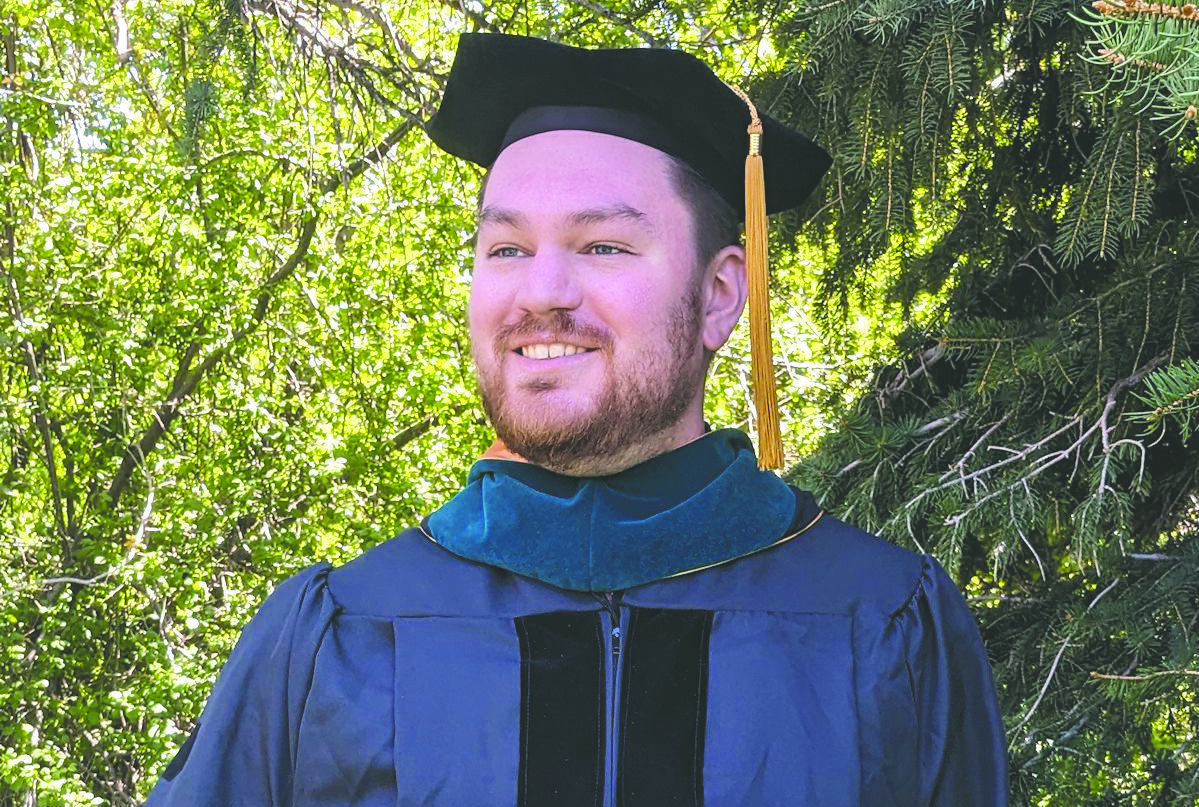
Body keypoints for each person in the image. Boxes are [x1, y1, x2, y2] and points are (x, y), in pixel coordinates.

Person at [144, 33, 1008, 807]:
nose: (541, 292)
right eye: (506, 249)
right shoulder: (335, 634)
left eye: (602, 246)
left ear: (717, 297)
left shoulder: (884, 623)